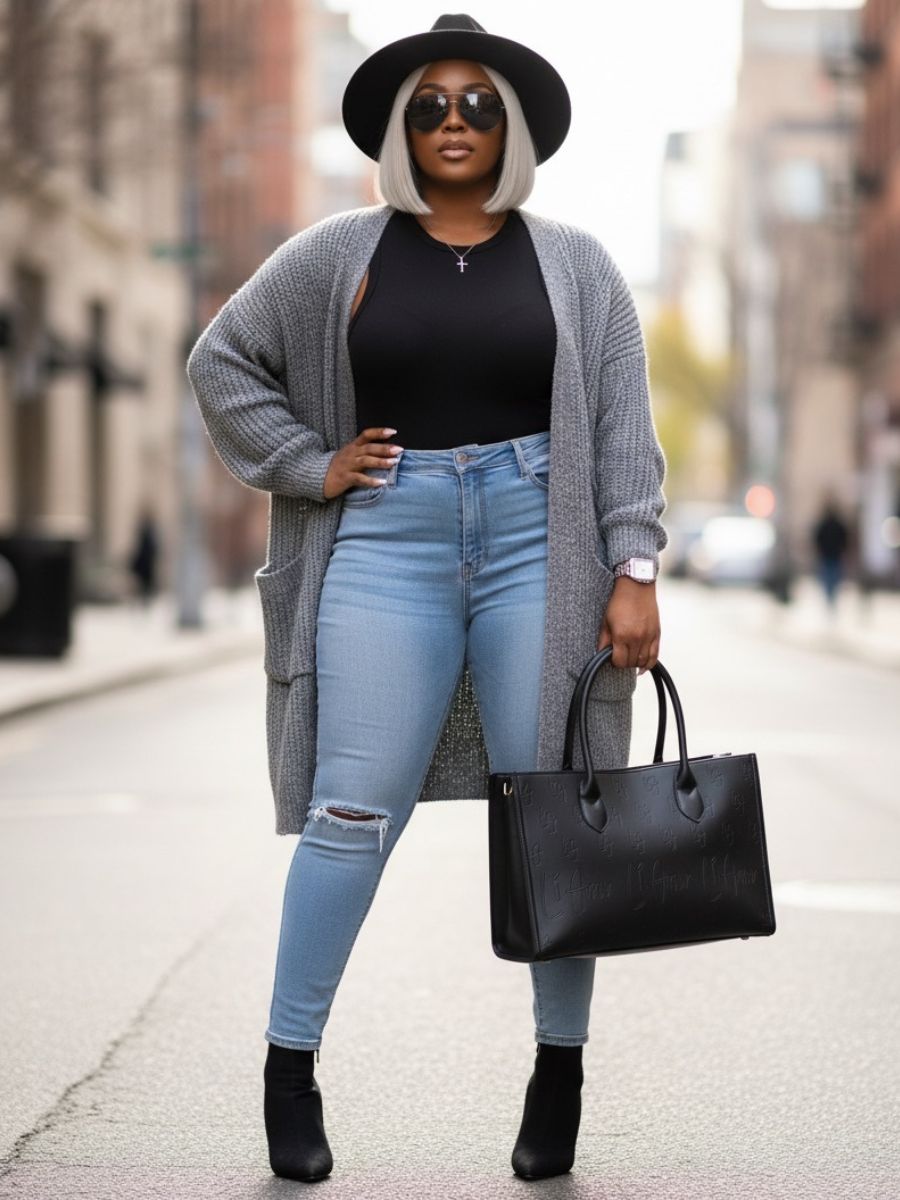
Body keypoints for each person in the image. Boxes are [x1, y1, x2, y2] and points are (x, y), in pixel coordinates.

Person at [186, 13, 668, 1185]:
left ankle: (559, 1072)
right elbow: (221, 360)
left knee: (555, 817)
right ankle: (288, 1070)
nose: (455, 121)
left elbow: (621, 427)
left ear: (513, 128)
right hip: (386, 543)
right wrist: (312, 462)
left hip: (538, 546)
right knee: (350, 813)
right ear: (403, 127)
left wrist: (636, 566)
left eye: (480, 104)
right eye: (433, 105)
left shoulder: (578, 263)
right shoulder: (335, 255)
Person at [811, 495, 849, 611]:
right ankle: (830, 598)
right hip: (831, 555)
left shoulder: (830, 524)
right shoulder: (831, 524)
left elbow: (844, 537)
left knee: (830, 579)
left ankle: (830, 598)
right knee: (831, 578)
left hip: (831, 555)